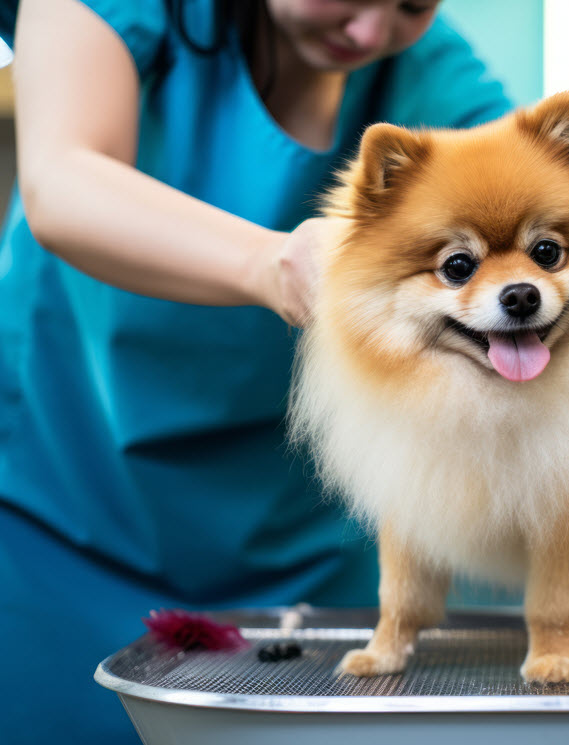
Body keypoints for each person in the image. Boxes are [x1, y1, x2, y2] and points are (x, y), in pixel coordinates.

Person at [0, 0, 511, 741]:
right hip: (63, 507)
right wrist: (273, 263)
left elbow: (551, 198)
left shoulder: (429, 70)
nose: (372, 33)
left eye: (411, 5)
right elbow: (61, 179)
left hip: (302, 546)